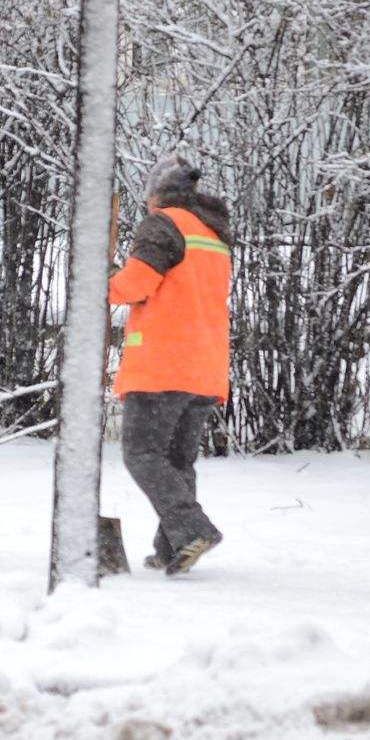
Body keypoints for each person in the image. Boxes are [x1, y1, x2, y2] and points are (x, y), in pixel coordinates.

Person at [108, 154, 232, 576]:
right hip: (205, 364)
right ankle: (173, 546)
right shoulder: (212, 232)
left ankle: (193, 528)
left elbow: (138, 282)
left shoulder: (163, 224)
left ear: (156, 194)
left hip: (163, 362)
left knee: (141, 452)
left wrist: (97, 284)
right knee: (177, 460)